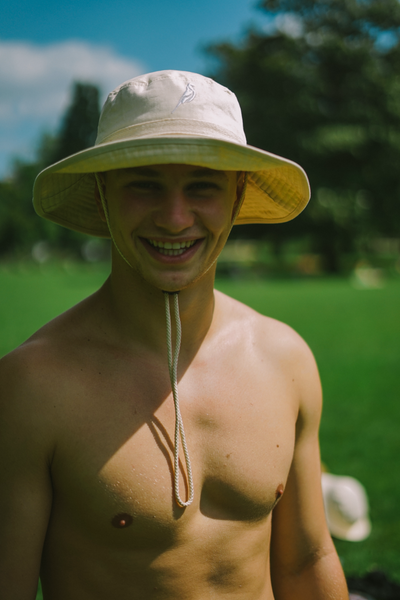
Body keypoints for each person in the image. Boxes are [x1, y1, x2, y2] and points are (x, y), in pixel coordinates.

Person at [0, 70, 348, 599]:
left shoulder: (285, 358)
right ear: (102, 195)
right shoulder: (33, 385)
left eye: (202, 186)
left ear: (237, 194)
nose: (174, 217)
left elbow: (307, 559)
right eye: (145, 184)